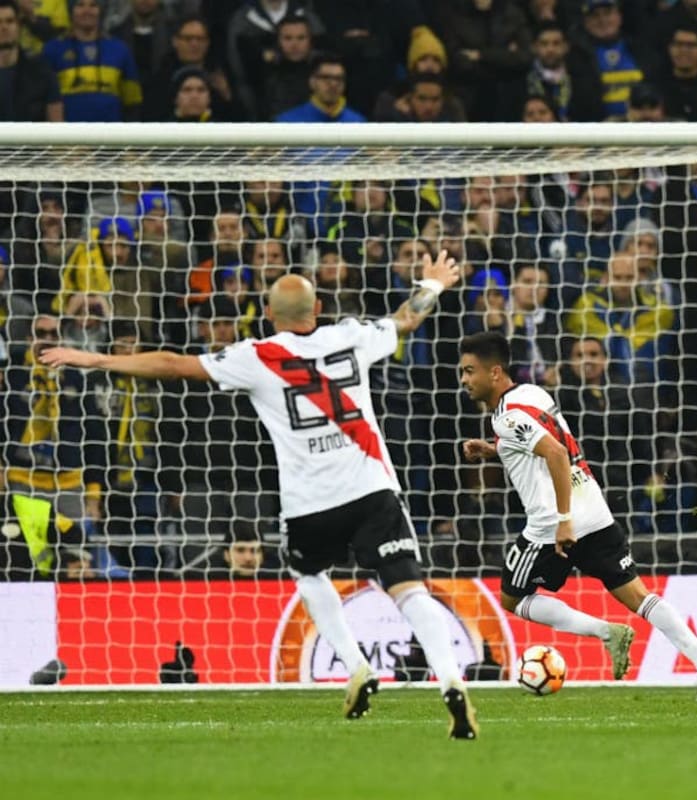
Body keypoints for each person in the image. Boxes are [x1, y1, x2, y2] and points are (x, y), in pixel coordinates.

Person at [39, 251, 480, 739]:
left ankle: (357, 665)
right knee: (408, 588)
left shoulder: (256, 356)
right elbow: (408, 316)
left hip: (310, 503)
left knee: (310, 574)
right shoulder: (352, 335)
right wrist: (435, 283)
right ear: (319, 309)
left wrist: (95, 357)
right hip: (372, 487)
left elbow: (172, 365)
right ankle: (450, 679)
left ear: (269, 316)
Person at [458, 331, 697, 701]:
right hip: (596, 510)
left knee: (512, 598)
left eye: (469, 371)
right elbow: (544, 441)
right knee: (637, 594)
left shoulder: (505, 418)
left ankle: (607, 633)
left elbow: (554, 453)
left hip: (553, 523)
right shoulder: (534, 394)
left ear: (495, 373)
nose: (463, 380)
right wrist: (495, 451)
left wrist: (563, 520)